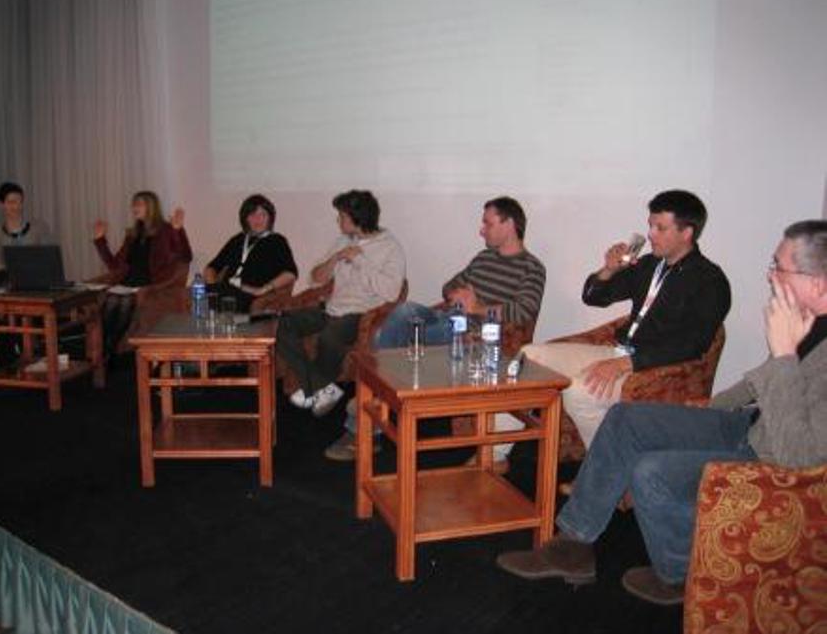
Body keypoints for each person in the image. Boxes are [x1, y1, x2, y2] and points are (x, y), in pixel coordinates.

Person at [495, 219, 827, 606]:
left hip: (769, 451)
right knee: (625, 418)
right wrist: (708, 409)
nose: (771, 276)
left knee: (650, 471)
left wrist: (784, 356)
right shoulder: (806, 321)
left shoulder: (711, 282)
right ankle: (573, 544)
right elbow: (761, 382)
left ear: (818, 283)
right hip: (748, 424)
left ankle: (679, 576)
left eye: (779, 267)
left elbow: (799, 456)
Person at [324, 196, 546, 461]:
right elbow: (448, 286)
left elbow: (523, 312)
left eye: (487, 223)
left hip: (469, 333)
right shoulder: (484, 258)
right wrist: (458, 295)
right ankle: (381, 397)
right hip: (445, 317)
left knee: (391, 342)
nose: (481, 230)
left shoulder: (532, 268)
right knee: (404, 312)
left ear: (509, 224)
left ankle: (365, 418)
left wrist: (476, 307)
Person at [522, 190, 731, 450]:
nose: (651, 234)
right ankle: (495, 454)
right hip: (618, 352)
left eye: (660, 228)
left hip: (649, 367)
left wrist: (626, 364)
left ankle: (607, 466)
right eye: (650, 225)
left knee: (579, 392)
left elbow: (692, 345)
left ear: (686, 232)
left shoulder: (709, 281)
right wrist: (609, 270)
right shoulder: (649, 265)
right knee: (528, 358)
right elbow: (595, 298)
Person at [278, 190, 406, 417]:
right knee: (283, 323)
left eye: (342, 216)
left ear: (359, 218)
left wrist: (359, 260)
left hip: (359, 313)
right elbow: (315, 278)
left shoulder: (390, 247)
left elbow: (392, 291)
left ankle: (316, 388)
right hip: (331, 309)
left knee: (330, 336)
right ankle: (319, 386)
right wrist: (336, 258)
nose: (338, 220)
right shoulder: (343, 241)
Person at [92, 191, 192, 354]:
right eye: (133, 204)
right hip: (127, 283)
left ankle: (108, 350)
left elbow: (185, 256)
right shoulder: (132, 235)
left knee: (124, 303)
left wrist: (178, 231)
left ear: (151, 207)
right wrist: (100, 240)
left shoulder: (166, 230)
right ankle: (107, 349)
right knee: (111, 300)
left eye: (139, 204)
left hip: (149, 283)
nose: (134, 207)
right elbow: (114, 265)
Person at [203, 194, 298, 313]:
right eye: (253, 215)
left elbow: (290, 273)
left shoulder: (277, 241)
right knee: (195, 296)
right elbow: (211, 267)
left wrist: (262, 290)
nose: (258, 219)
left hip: (249, 294)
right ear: (245, 218)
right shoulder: (238, 239)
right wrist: (212, 288)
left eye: (263, 215)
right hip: (226, 289)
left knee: (227, 302)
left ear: (270, 218)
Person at [0, 182, 53, 284]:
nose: (17, 206)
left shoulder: (39, 229)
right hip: (7, 286)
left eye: (20, 202)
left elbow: (48, 261)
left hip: (37, 284)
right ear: (1, 205)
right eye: (11, 202)